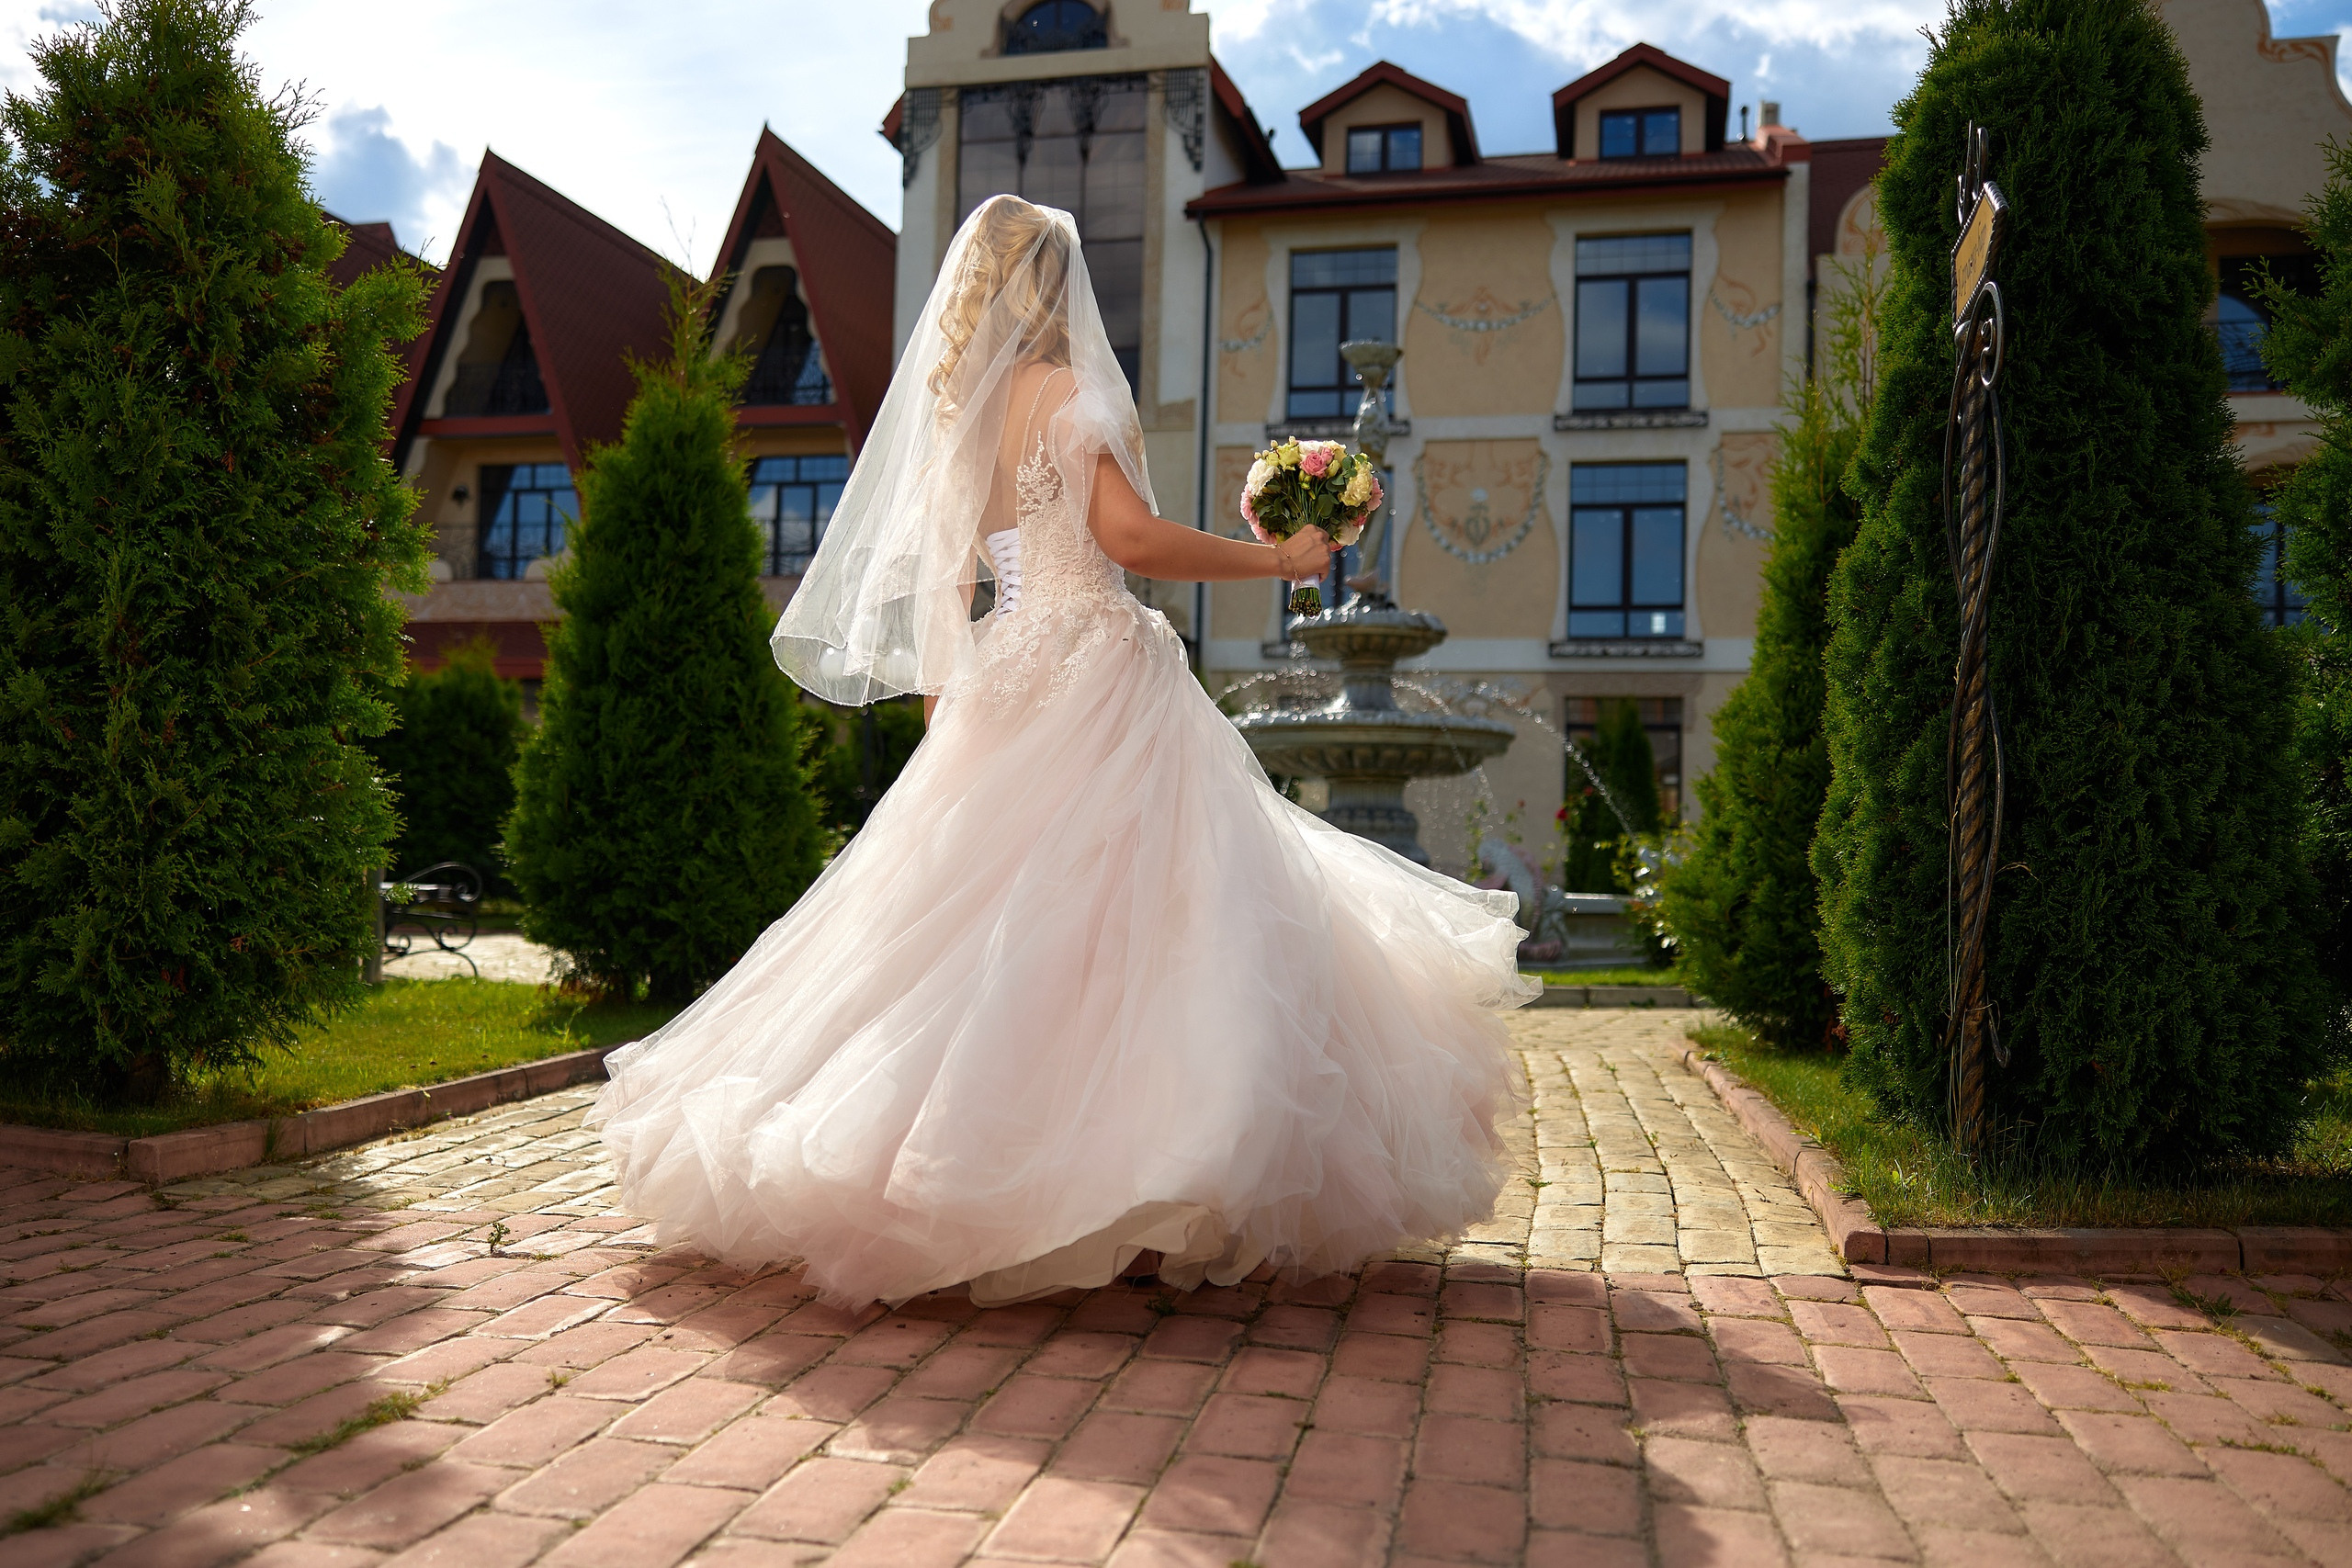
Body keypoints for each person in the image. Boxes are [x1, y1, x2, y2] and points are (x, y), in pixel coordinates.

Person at [589, 196, 1534, 1309]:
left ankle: (969, 1168)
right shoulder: (1072, 396)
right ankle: (1133, 1187)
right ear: (1053, 285)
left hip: (1003, 672)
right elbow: (1126, 541)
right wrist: (1275, 562)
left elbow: (950, 581)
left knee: (975, 932)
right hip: (1092, 659)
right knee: (1141, 924)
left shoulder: (957, 421)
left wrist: (954, 697)